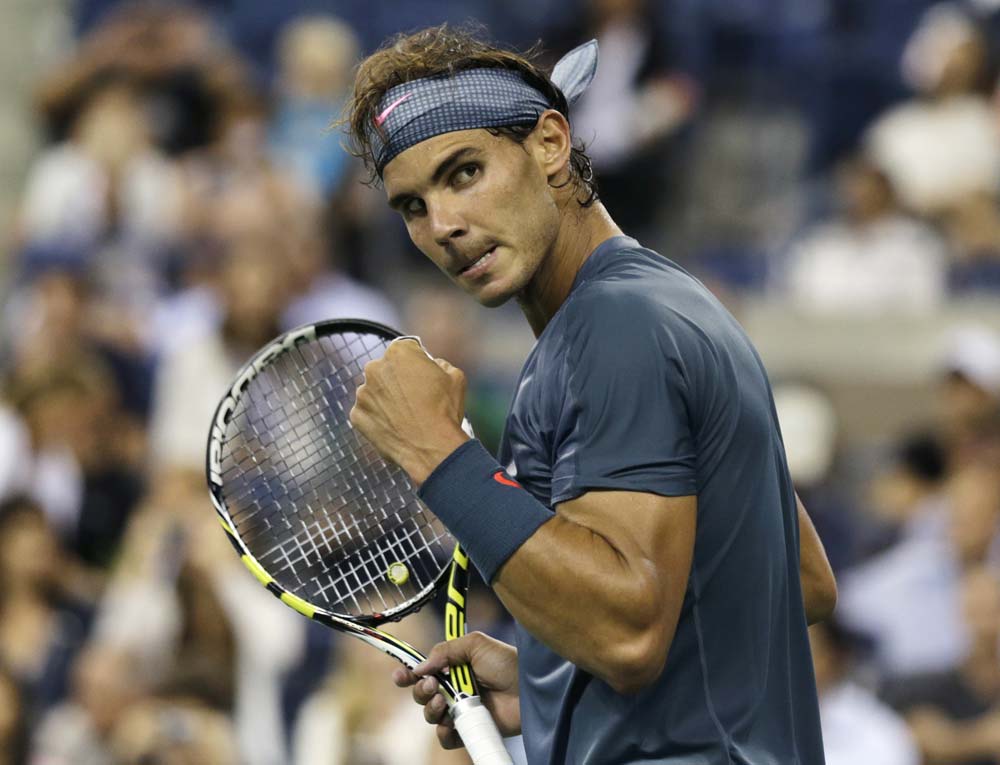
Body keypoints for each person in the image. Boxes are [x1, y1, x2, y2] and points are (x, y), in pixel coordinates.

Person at [345, 25, 837, 764]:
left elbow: (629, 634)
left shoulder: (614, 327)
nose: (443, 225)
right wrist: (555, 676)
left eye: (464, 172)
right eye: (411, 206)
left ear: (548, 143)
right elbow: (794, 582)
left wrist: (435, 451)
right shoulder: (664, 299)